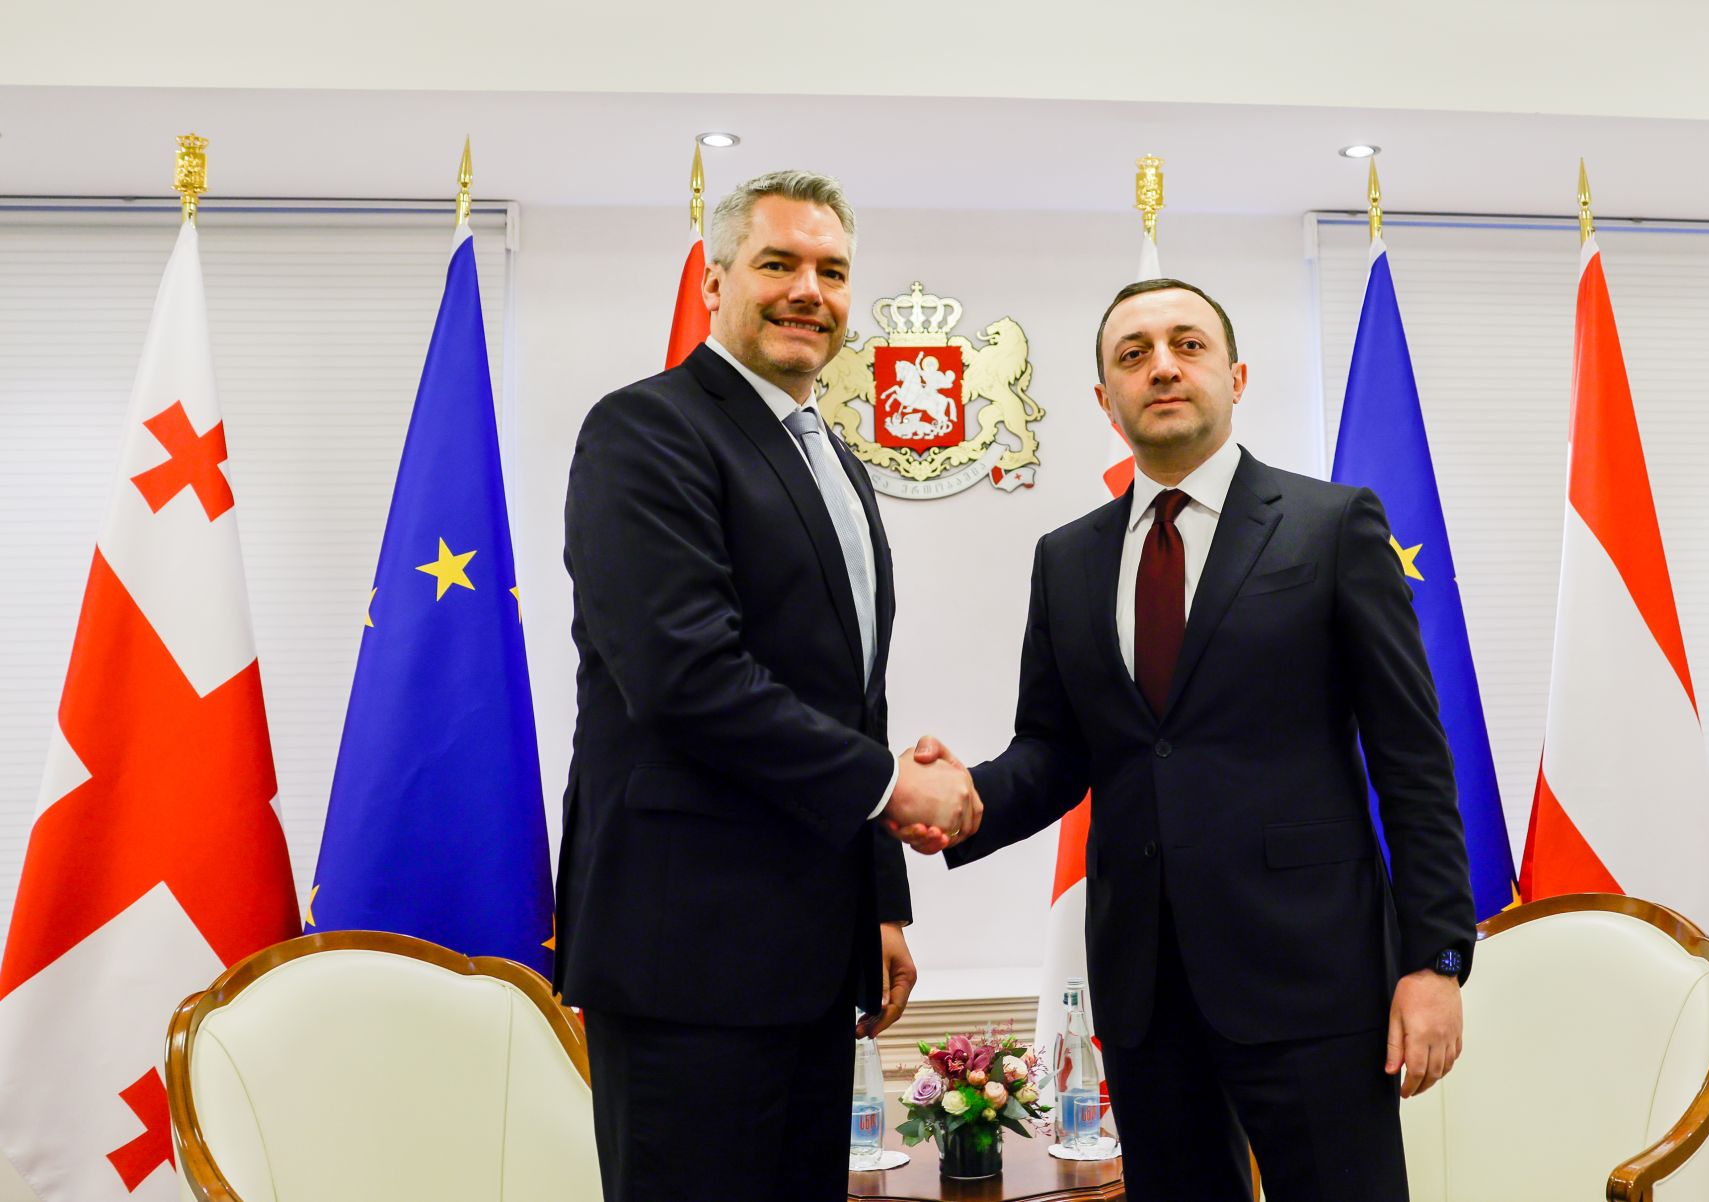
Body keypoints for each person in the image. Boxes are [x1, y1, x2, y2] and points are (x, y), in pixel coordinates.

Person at [930, 278, 1476, 1201]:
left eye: (1188, 344)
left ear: (1236, 375)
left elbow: (1414, 762)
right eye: (1133, 354)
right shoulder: (1067, 558)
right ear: (1106, 399)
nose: (1163, 366)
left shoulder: (1333, 526)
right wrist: (964, 802)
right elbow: (1059, 750)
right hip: (1147, 990)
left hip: (1314, 982)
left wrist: (1436, 962)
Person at [556, 170, 980, 1202]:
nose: (808, 290)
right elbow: (684, 675)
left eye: (831, 270)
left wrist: (878, 903)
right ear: (714, 280)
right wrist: (891, 787)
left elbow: (850, 694)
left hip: (807, 950)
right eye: (777, 263)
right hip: (683, 952)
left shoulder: (832, 456)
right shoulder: (645, 431)